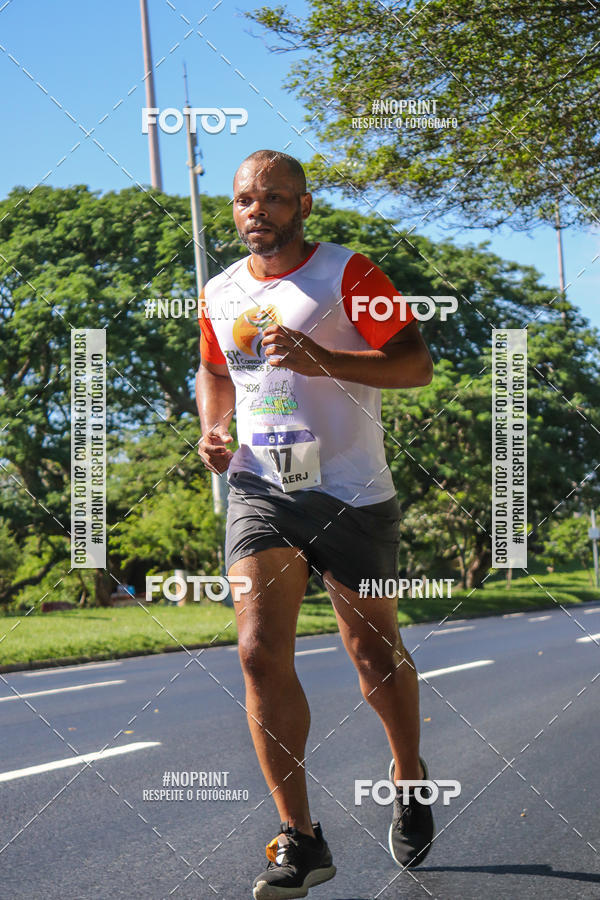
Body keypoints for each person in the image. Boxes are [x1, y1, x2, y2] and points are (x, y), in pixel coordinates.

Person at [196, 149, 435, 900]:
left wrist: (322, 357)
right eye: (242, 200)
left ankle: (408, 774)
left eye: (271, 198)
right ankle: (301, 839)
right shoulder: (221, 288)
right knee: (259, 651)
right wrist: (213, 427)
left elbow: (414, 364)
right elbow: (213, 369)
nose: (254, 212)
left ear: (303, 205)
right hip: (261, 489)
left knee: (371, 650)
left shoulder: (348, 274)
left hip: (352, 491)